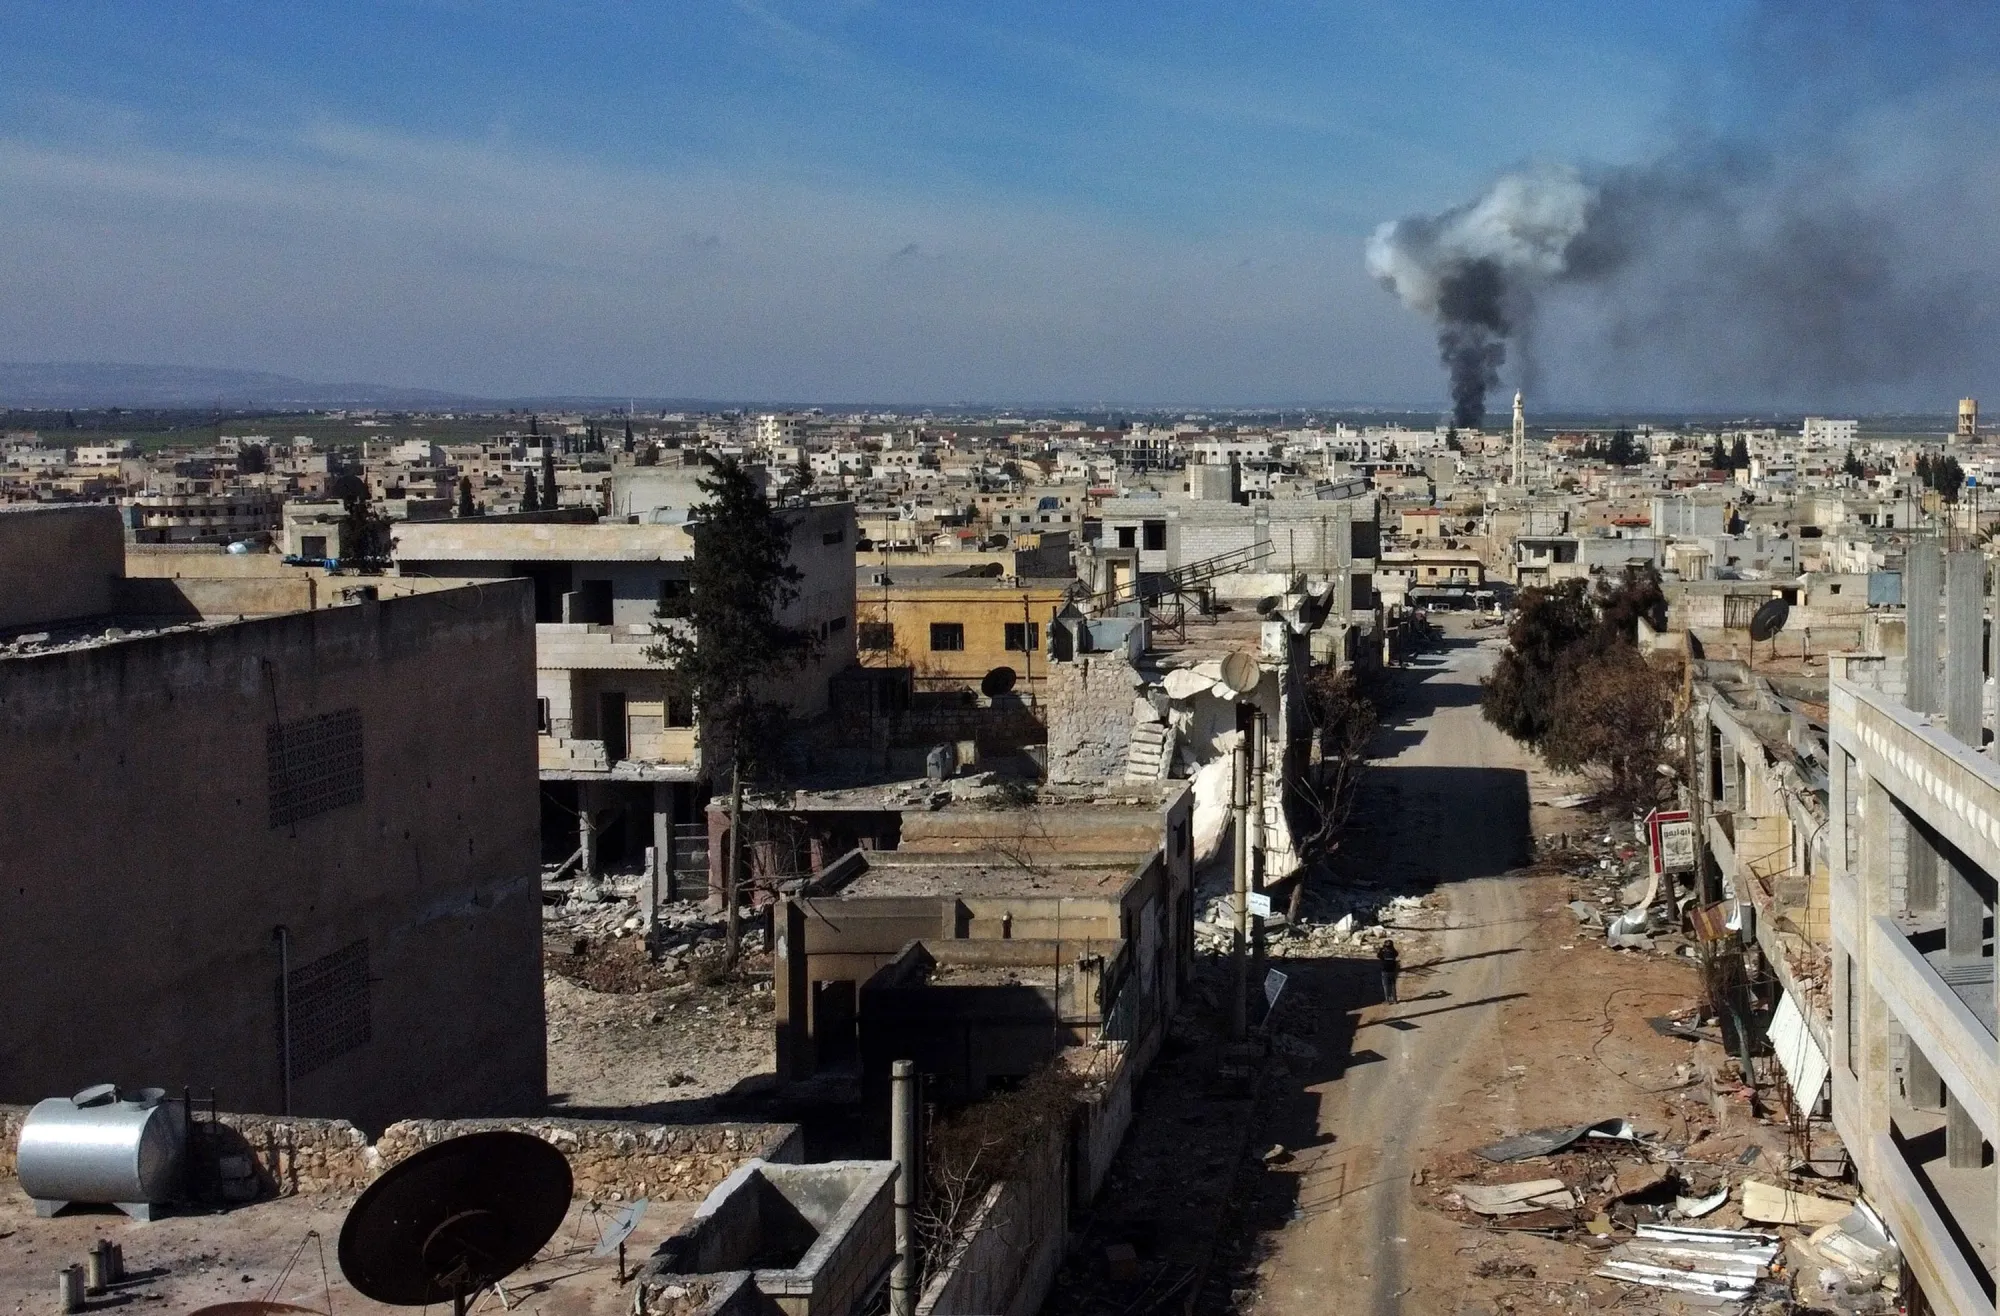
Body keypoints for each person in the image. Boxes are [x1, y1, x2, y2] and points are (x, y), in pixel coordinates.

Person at [1377, 937, 1400, 1004]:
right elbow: (1396, 954)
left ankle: (1387, 1000)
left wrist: (1381, 950)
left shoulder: (1383, 951)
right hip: (1393, 970)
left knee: (1386, 985)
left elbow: (1378, 956)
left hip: (1385, 970)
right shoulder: (1393, 951)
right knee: (1393, 985)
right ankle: (1395, 999)